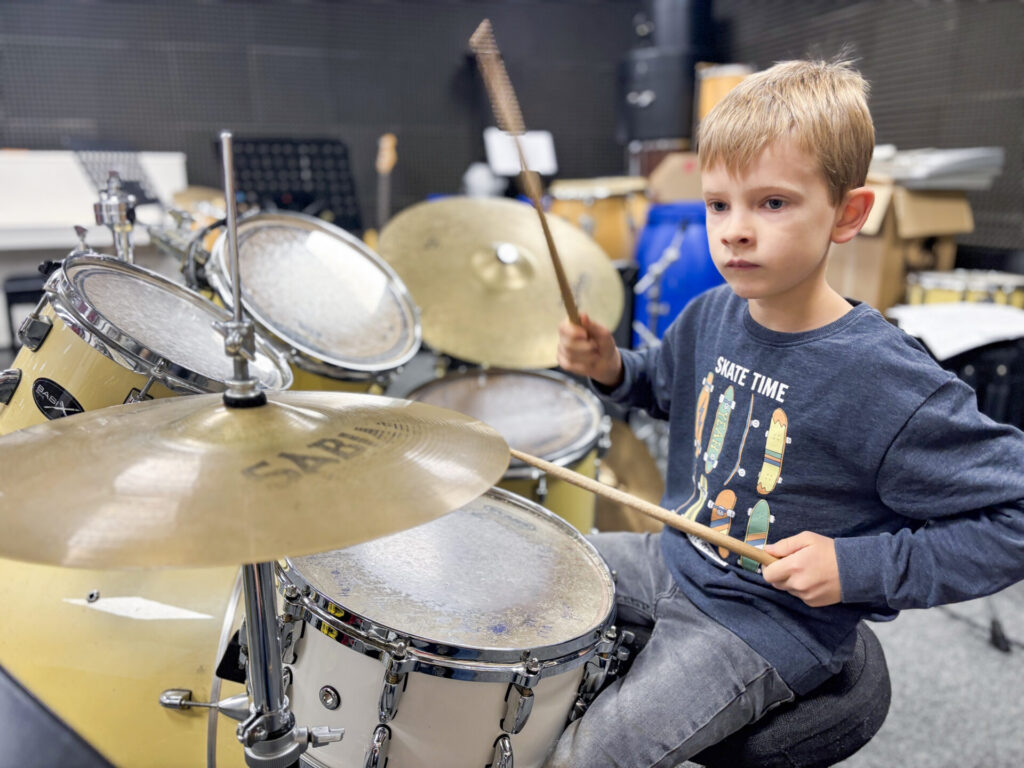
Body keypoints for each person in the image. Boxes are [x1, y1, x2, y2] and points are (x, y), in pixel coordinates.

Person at [549, 57, 1024, 767]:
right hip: (672, 556)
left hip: (766, 623)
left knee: (591, 756)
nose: (735, 231)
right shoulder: (713, 312)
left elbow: (1013, 517)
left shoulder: (886, 379)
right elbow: (663, 387)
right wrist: (612, 368)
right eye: (718, 205)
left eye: (772, 203)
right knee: (536, 568)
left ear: (849, 214)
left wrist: (856, 565)